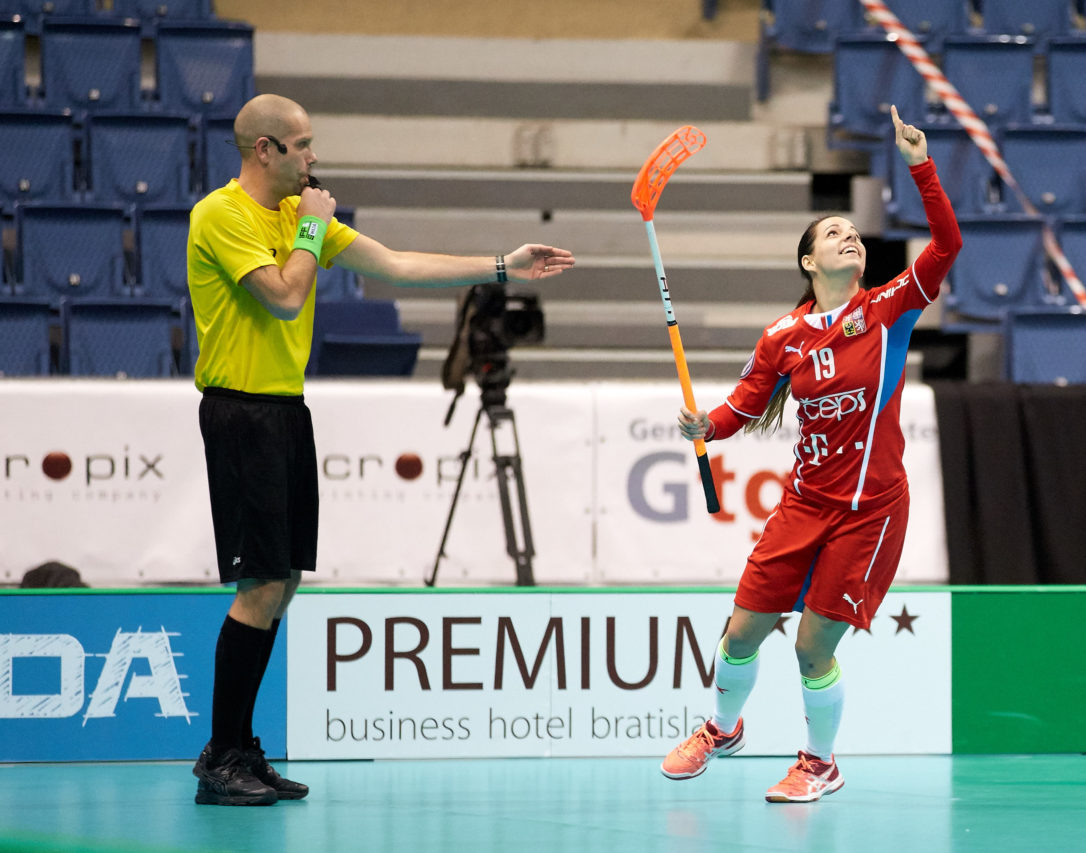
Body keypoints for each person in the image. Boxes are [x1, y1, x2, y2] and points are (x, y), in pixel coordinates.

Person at [187, 93, 575, 807]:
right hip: (239, 411)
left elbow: (397, 263)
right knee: (259, 585)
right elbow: (282, 296)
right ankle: (220, 756)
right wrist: (310, 229)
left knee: (286, 581)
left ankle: (239, 747)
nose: (314, 157)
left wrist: (503, 265)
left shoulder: (295, 216)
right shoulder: (222, 215)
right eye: (302, 145)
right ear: (264, 149)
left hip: (284, 409)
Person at [659, 106, 960, 803]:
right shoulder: (782, 337)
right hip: (803, 504)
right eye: (834, 232)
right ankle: (721, 728)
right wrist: (706, 425)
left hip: (869, 510)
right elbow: (741, 406)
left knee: (810, 648)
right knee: (740, 636)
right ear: (808, 260)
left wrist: (920, 163)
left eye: (853, 232)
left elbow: (945, 244)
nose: (849, 236)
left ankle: (818, 762)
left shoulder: (888, 309)